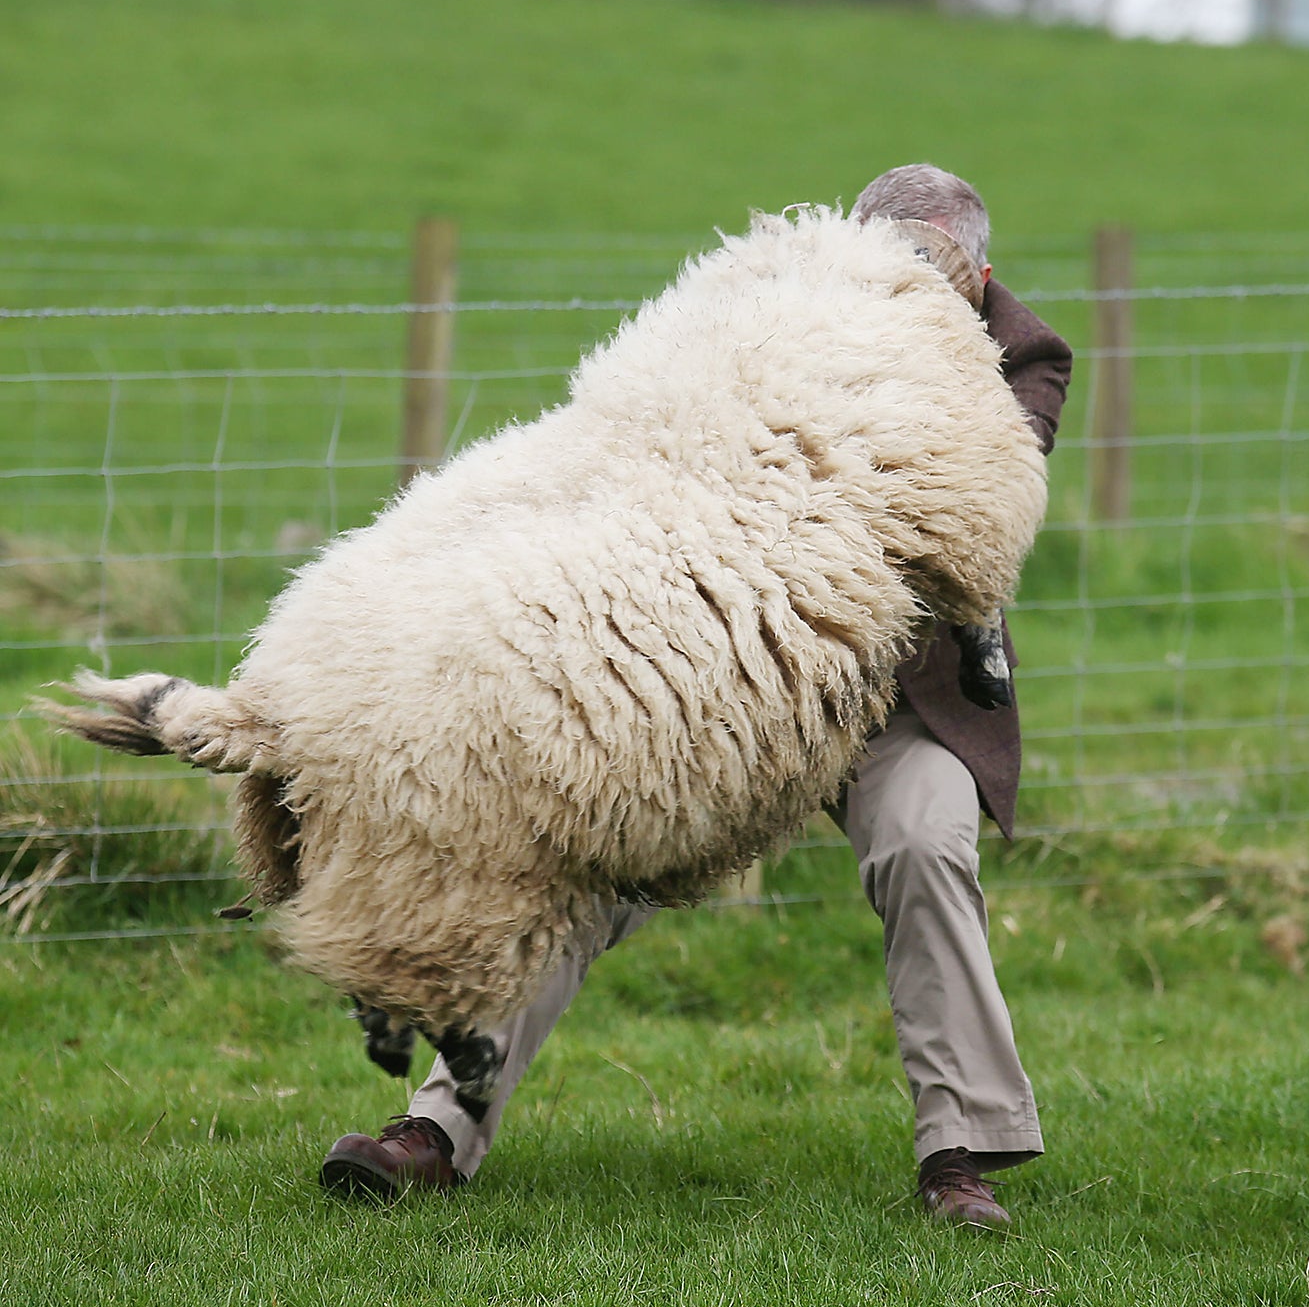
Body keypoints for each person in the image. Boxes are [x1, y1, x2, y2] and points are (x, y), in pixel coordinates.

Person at [319, 165, 1072, 1228]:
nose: (895, 292)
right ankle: (438, 1129)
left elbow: (971, 497)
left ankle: (962, 1156)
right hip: (734, 681)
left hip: (905, 701)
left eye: (924, 277)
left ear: (977, 278)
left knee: (922, 845)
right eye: (876, 268)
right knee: (585, 850)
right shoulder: (775, 316)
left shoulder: (1021, 357)